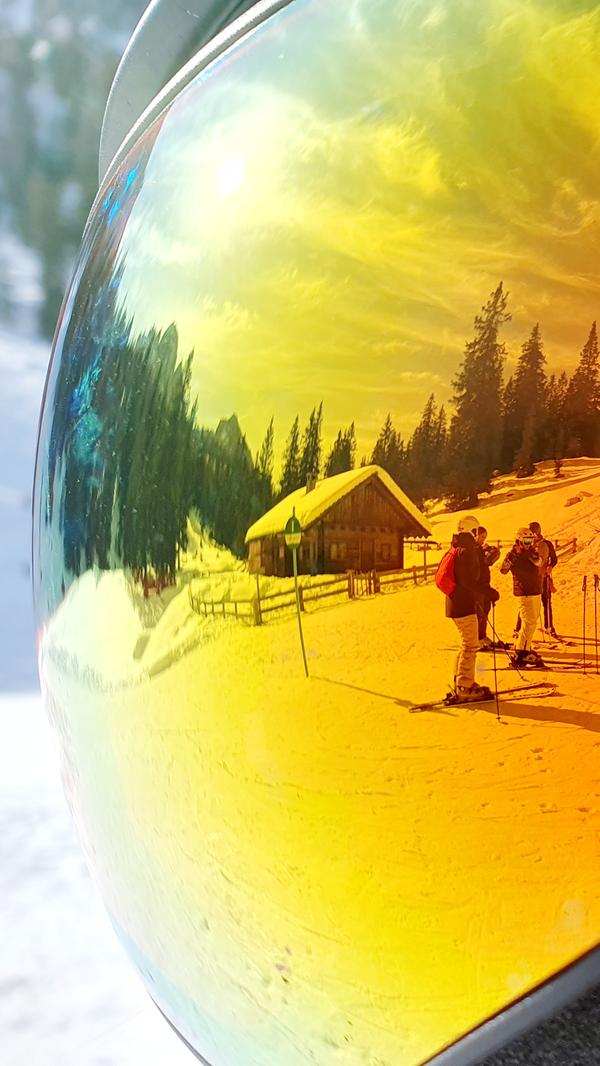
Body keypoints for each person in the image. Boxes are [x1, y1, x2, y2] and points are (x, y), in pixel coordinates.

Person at [445, 515, 492, 701]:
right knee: (471, 644)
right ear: (471, 531)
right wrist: (487, 592)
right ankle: (464, 685)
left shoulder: (459, 548)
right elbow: (468, 582)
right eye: (476, 531)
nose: (477, 535)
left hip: (459, 603)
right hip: (462, 604)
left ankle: (460, 681)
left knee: (467, 643)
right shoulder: (465, 551)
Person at [501, 527, 545, 666]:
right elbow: (503, 569)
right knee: (529, 621)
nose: (528, 543)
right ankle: (521, 651)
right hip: (525, 592)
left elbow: (539, 562)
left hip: (534, 590)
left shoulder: (531, 552)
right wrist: (513, 556)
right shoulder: (513, 554)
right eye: (526, 540)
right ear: (519, 540)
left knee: (532, 621)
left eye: (530, 540)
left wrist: (530, 553)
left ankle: (525, 647)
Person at [474, 526, 501, 649]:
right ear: (476, 536)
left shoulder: (481, 549)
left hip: (485, 584)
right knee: (478, 613)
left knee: (485, 610)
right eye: (482, 537)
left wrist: (489, 549)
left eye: (485, 537)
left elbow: (490, 558)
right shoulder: (473, 550)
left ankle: (483, 635)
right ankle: (476, 638)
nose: (483, 540)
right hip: (477, 586)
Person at [530, 521, 558, 636]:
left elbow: (554, 558)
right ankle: (519, 628)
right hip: (530, 580)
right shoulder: (527, 544)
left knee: (546, 603)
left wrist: (550, 566)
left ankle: (549, 627)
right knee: (528, 604)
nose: (533, 534)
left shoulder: (547, 544)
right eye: (531, 532)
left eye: (535, 531)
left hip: (543, 578)